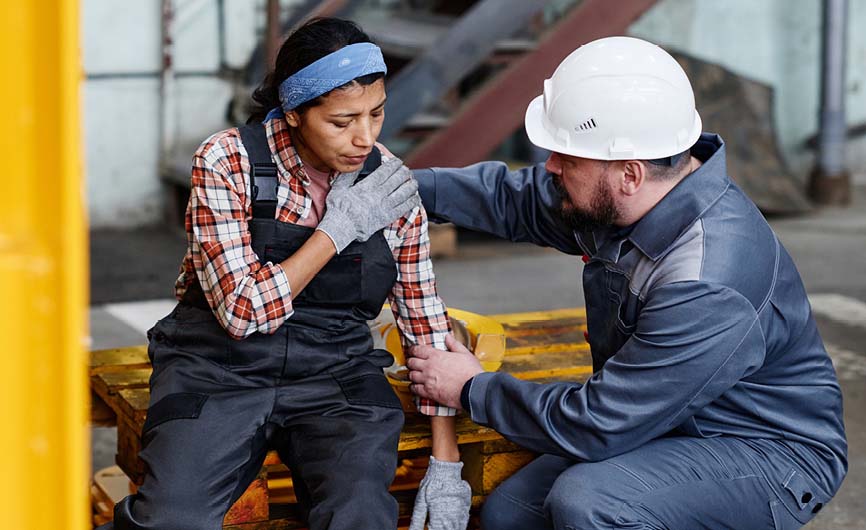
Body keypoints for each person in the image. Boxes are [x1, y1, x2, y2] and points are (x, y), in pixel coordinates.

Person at [406, 36, 847, 529]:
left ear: (630, 174)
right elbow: (517, 200)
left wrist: (471, 388)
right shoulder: (623, 197)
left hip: (764, 452)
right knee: (512, 515)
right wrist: (402, 187)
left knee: (591, 503)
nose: (551, 166)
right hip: (666, 418)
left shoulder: (708, 280)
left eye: (568, 160)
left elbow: (600, 423)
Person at [103, 18, 470, 530]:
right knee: (172, 518)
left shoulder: (387, 183)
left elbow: (423, 320)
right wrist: (336, 230)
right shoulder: (226, 162)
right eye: (342, 122)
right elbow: (242, 311)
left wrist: (446, 463)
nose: (364, 138)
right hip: (218, 369)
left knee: (360, 515)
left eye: (377, 113)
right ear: (294, 113)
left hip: (335, 374)